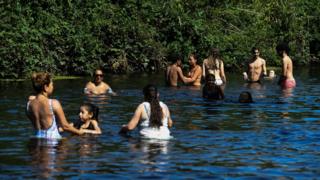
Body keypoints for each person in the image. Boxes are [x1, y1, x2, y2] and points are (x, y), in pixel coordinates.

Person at [26, 72, 84, 139]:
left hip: (37, 139)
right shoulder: (53, 103)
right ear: (46, 87)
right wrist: (80, 133)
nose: (53, 87)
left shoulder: (29, 105)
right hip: (52, 142)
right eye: (52, 85)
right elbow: (65, 126)